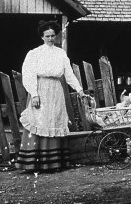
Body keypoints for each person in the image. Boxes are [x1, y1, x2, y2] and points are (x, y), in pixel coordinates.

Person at [14, 20, 84, 172]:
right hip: (41, 89)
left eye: (53, 36)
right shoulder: (35, 53)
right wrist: (34, 94)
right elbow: (29, 74)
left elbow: (69, 74)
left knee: (55, 120)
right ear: (42, 37)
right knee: (39, 120)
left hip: (56, 90)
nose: (51, 39)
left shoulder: (61, 53)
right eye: (47, 36)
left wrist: (79, 89)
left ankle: (54, 162)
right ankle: (34, 162)